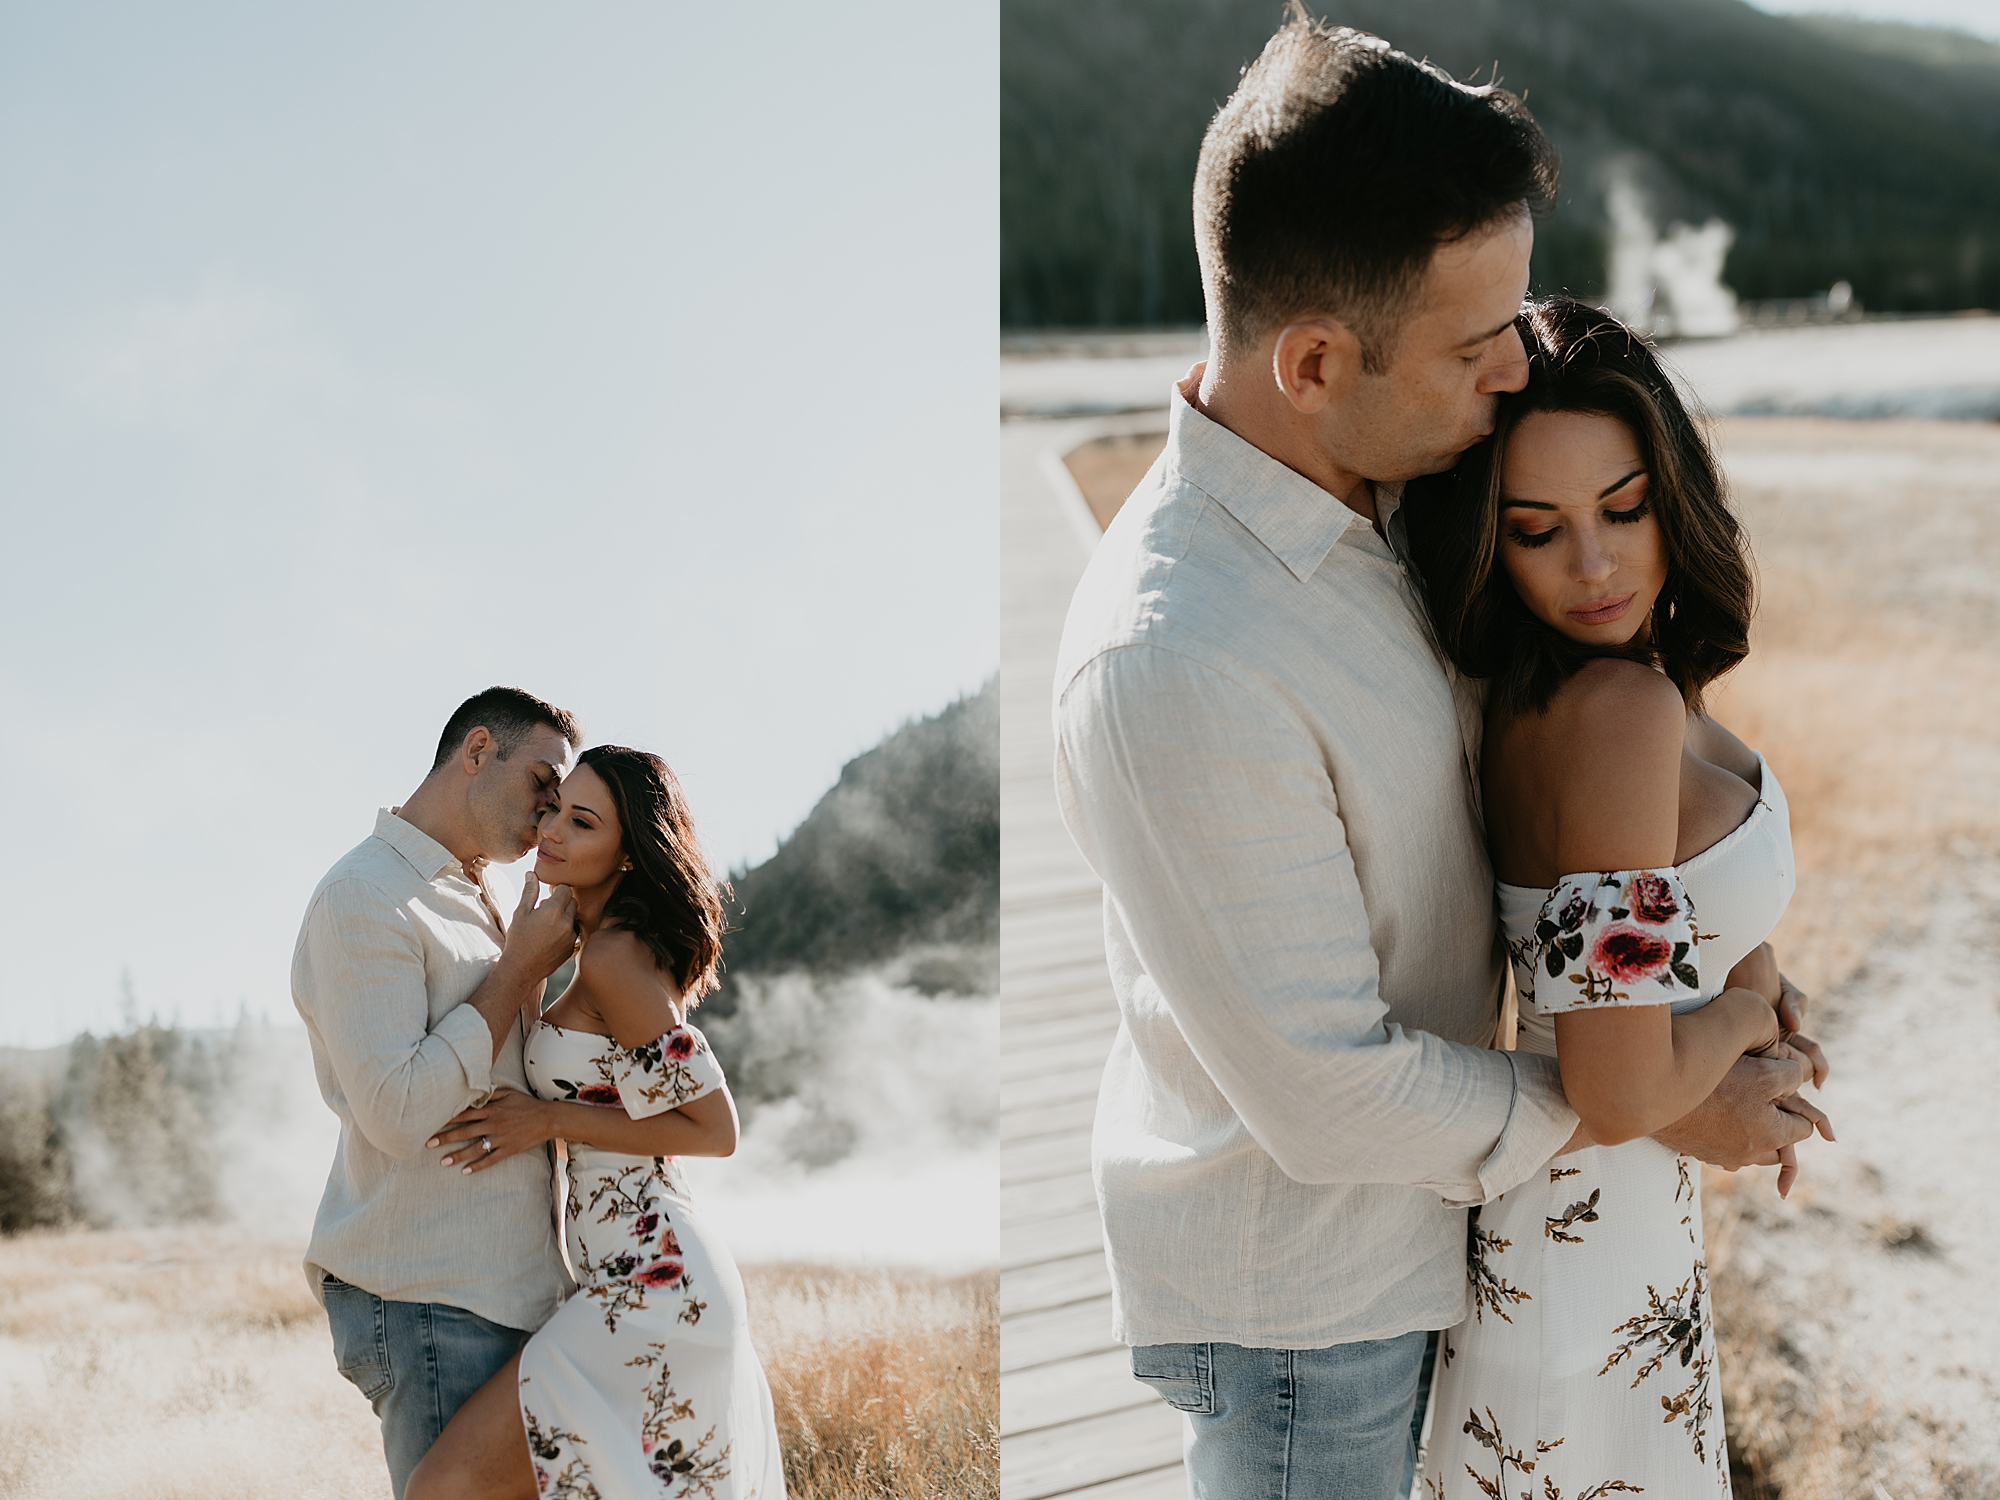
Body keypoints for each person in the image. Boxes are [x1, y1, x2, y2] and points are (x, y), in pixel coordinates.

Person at [1050, 13, 1828, 1499]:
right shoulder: (1178, 653)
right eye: (1479, 346)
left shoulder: (1382, 495)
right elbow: (1329, 1095)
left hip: (1455, 1254)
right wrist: (1660, 1087)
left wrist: (1713, 985)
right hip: (1309, 1326)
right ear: (1317, 358)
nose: (1510, 376)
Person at [1405, 298, 1831, 1497]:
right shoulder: (1616, 719)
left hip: (1612, 1246)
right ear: (1490, 540)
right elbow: (1613, 1079)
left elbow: (1640, 949)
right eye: (1535, 530)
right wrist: (1748, 1029)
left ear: (1671, 495)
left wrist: (1754, 981)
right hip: (1581, 1266)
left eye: (1622, 511)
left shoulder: (1618, 690)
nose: (1591, 566)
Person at [404, 745, 786, 1500]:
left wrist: (547, 1118)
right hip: (621, 1280)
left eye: (583, 823)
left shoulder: (615, 957)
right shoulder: (588, 948)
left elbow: (713, 1129)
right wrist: (525, 963)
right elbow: (580, 1068)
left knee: (441, 1489)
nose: (552, 830)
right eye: (554, 809)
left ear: (629, 852)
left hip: (657, 1284)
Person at [293, 686, 587, 1499]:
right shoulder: (364, 896)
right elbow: (396, 1111)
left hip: (508, 1297)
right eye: (542, 782)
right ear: (479, 749)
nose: (549, 814)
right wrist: (520, 969)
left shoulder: (475, 899)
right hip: (431, 1300)